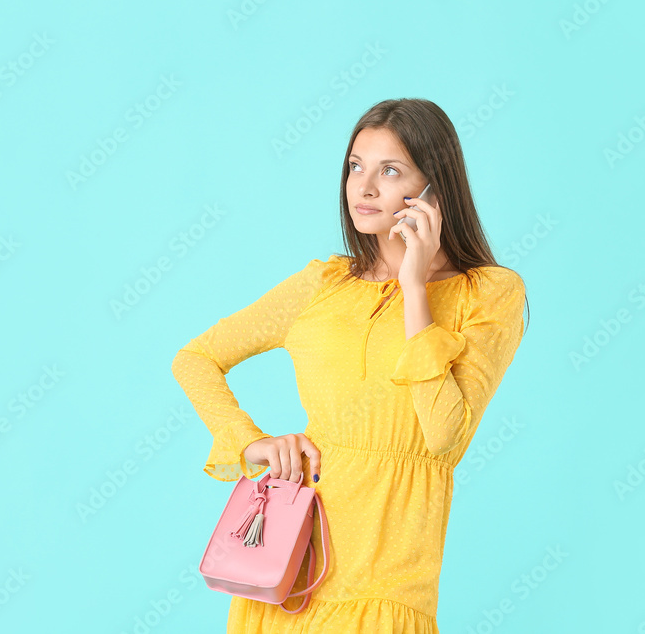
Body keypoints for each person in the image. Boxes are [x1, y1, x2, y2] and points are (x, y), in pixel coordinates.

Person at [171, 97, 530, 633]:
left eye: (390, 171)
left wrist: (414, 288)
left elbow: (444, 436)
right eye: (355, 167)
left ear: (436, 187)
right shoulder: (323, 284)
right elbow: (195, 358)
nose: (363, 187)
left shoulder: (489, 293)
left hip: (386, 584)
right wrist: (250, 442)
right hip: (285, 576)